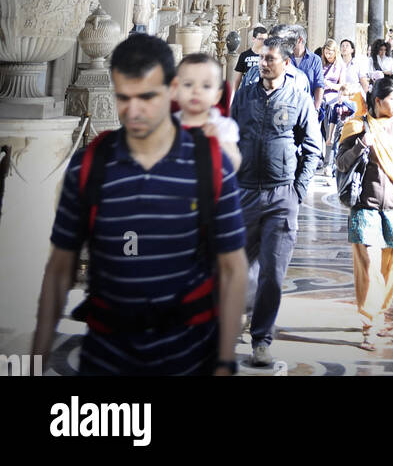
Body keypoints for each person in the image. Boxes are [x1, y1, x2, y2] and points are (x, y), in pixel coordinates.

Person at [33, 34, 248, 376]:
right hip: (107, 358)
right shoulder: (89, 167)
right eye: (123, 97)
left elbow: (233, 270)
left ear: (172, 90)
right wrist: (36, 359)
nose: (133, 111)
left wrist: (224, 362)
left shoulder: (211, 166)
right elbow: (60, 268)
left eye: (147, 97)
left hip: (189, 356)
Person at [231, 34, 322, 366]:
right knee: (237, 267)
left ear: (286, 62)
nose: (264, 63)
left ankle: (261, 339)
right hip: (244, 193)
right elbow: (230, 138)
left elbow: (313, 148)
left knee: (272, 270)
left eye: (271, 58)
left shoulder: (298, 99)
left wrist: (297, 191)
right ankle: (235, 319)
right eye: (262, 58)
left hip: (281, 195)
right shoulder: (243, 97)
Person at [335, 77, 393, 351]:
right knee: (368, 263)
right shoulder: (356, 126)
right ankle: (369, 321)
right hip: (365, 206)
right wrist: (362, 144)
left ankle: (380, 309)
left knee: (390, 267)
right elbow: (340, 163)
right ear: (377, 101)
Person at [174, 52, 241, 172]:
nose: (196, 91)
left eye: (206, 86)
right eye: (188, 84)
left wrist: (219, 143)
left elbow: (235, 164)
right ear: (175, 89)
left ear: (217, 95)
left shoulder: (223, 126)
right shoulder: (169, 124)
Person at [320, 38, 346, 175]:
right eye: (326, 53)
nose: (328, 56)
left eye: (331, 53)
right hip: (320, 99)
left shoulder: (340, 65)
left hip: (333, 99)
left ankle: (328, 164)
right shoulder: (320, 63)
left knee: (330, 133)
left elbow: (342, 86)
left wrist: (329, 84)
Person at [292, 26, 324, 114]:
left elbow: (319, 85)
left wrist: (315, 109)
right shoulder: (284, 58)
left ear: (299, 40)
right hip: (288, 108)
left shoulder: (315, 60)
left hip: (307, 108)